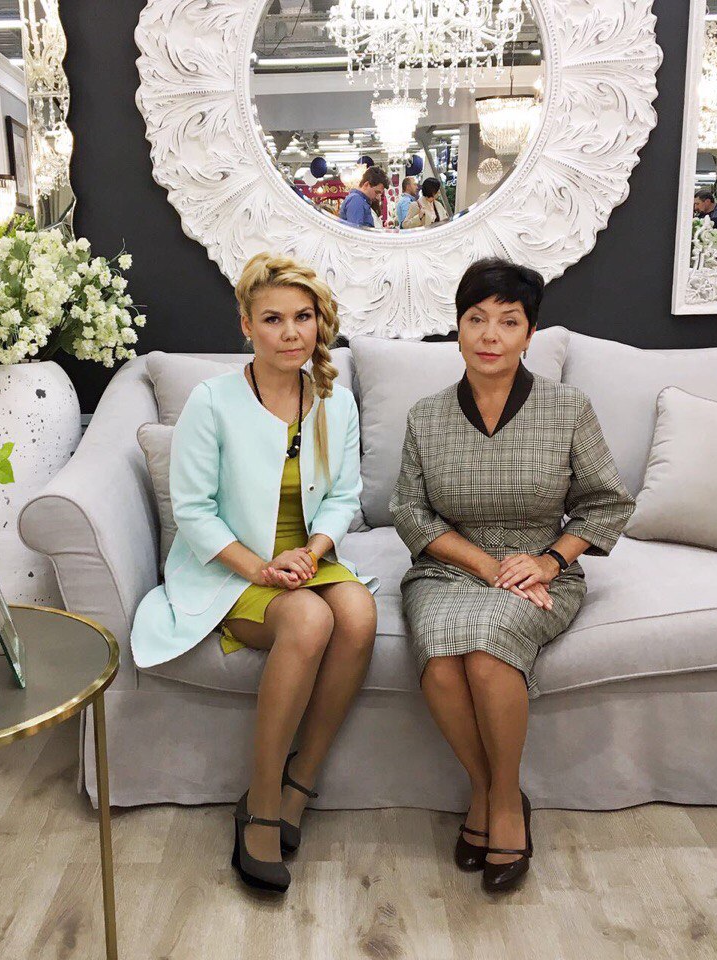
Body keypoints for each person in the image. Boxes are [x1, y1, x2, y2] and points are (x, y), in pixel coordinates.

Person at [136, 252, 379, 896]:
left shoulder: (335, 400)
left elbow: (344, 496)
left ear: (319, 323)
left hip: (306, 558)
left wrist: (315, 551)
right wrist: (262, 568)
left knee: (359, 614)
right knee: (310, 619)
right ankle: (262, 802)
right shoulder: (212, 401)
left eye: (303, 317)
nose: (291, 332)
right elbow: (193, 510)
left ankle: (302, 780)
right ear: (247, 325)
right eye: (273, 319)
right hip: (231, 566)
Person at [389, 258, 634, 893]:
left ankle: (498, 807)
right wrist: (482, 563)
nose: (490, 335)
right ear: (458, 329)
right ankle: (494, 791)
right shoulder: (426, 415)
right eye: (476, 319)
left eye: (508, 321)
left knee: (486, 654)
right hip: (449, 566)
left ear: (530, 334)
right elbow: (410, 511)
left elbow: (607, 503)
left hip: (538, 570)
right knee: (440, 656)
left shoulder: (567, 407)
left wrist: (550, 560)